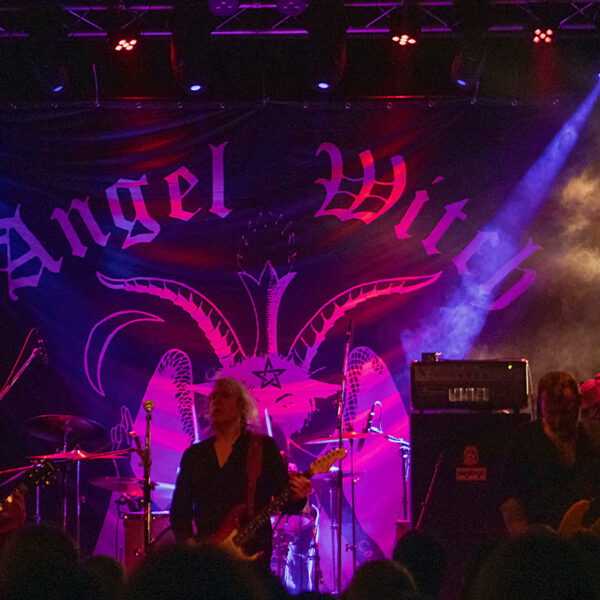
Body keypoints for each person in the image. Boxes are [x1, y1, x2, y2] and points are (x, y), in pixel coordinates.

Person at [170, 377, 312, 567]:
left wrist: (298, 497)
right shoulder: (195, 455)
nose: (216, 401)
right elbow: (180, 510)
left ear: (241, 406)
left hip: (253, 553)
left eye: (225, 396)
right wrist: (190, 547)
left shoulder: (263, 448)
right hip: (208, 557)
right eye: (213, 397)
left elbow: (284, 501)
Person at [499, 371, 600, 536]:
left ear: (579, 403)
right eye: (551, 413)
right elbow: (509, 496)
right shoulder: (525, 439)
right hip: (540, 542)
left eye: (567, 412)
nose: (559, 421)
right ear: (540, 407)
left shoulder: (595, 436)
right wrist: (524, 538)